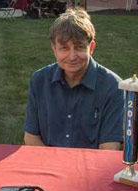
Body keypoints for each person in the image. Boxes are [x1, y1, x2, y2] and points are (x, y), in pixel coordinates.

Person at [23, 8, 123, 150]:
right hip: (48, 166)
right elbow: (31, 138)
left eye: (79, 47)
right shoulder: (39, 81)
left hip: (91, 168)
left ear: (92, 47)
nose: (72, 56)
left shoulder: (113, 87)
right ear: (54, 49)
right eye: (64, 48)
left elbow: (109, 148)